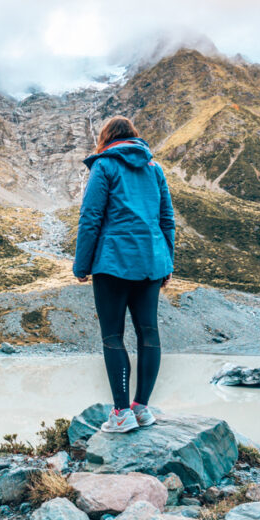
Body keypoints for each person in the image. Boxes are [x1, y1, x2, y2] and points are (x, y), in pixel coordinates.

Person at [73, 116, 176, 432]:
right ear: (134, 137)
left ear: (105, 139)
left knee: (113, 336)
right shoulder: (154, 169)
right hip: (150, 263)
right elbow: (166, 219)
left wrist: (82, 265)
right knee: (149, 332)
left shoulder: (104, 167)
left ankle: (120, 413)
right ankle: (141, 408)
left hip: (114, 263)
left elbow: (91, 217)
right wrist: (167, 262)